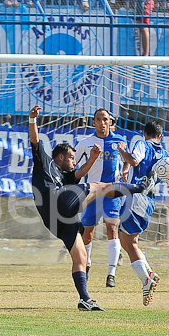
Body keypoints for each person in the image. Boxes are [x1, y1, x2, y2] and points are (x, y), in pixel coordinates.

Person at [27, 105, 154, 311]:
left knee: (81, 257)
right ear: (60, 157)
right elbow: (35, 140)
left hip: (55, 220)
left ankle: (84, 299)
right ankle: (141, 186)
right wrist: (32, 120)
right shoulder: (45, 161)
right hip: (56, 201)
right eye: (71, 158)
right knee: (98, 186)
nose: (74, 161)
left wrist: (93, 160)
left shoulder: (64, 175)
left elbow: (77, 174)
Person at [116, 120, 169, 306]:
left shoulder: (142, 144)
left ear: (144, 133)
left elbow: (133, 160)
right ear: (161, 136)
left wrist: (122, 150)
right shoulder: (164, 154)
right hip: (149, 201)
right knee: (131, 242)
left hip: (135, 197)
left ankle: (146, 279)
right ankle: (149, 272)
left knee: (127, 242)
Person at [74, 109, 128, 288]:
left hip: (112, 191)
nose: (102, 123)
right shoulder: (86, 143)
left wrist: (125, 169)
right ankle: (87, 264)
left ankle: (111, 273)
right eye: (98, 119)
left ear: (110, 122)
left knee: (112, 228)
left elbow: (127, 157)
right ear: (94, 122)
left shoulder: (119, 141)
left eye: (105, 119)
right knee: (87, 233)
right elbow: (74, 164)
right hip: (92, 192)